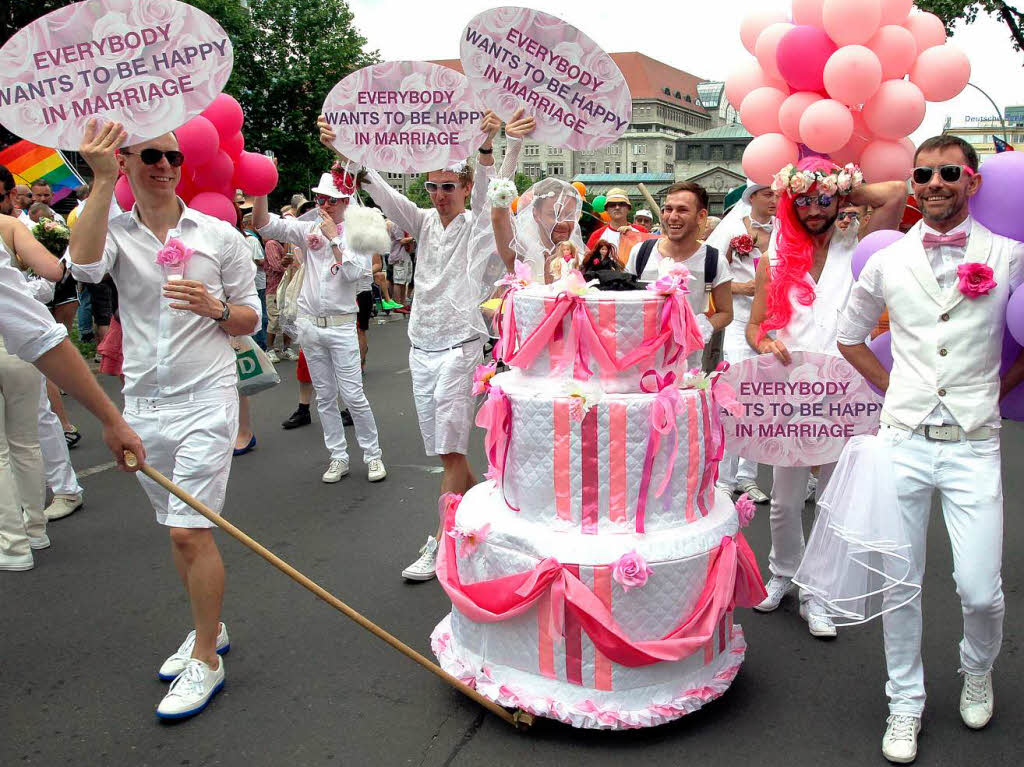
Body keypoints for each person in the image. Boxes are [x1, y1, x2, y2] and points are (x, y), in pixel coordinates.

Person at [834, 135, 1023, 763]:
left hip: (974, 443)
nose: (934, 183)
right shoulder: (887, 261)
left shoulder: (1011, 256)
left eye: (949, 172)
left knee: (979, 588)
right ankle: (904, 702)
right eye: (923, 174)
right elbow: (849, 336)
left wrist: (998, 390)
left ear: (971, 180)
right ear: (912, 183)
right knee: (899, 582)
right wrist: (893, 388)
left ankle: (977, 668)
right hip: (903, 441)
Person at [70, 119, 261, 720]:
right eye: (150, 156)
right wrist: (101, 182)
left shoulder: (218, 234)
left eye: (173, 158)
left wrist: (218, 307)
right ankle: (212, 625)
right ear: (126, 160)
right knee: (175, 530)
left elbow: (250, 317)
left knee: (189, 530)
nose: (165, 167)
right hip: (144, 403)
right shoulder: (113, 230)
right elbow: (81, 269)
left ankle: (207, 656)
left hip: (208, 396)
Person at [318, 109, 515, 580]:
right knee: (448, 454)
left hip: (462, 347)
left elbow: (493, 192)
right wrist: (344, 151)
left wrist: (489, 147)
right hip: (420, 345)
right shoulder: (423, 221)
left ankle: (442, 545)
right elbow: (378, 189)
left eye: (449, 186)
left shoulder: (477, 224)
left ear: (465, 188)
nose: (440, 195)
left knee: (449, 451)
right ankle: (492, 521)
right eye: (433, 186)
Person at [744, 157, 906, 639]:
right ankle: (783, 574)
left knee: (834, 500)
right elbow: (755, 325)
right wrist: (764, 342)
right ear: (788, 204)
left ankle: (821, 592)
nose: (814, 210)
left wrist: (843, 187)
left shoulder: (860, 249)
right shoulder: (772, 259)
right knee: (785, 501)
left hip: (847, 391)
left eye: (823, 200)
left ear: (840, 201)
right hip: (791, 393)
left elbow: (896, 192)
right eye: (803, 201)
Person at [0, 163, 145, 565]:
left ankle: (14, 544)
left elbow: (48, 305)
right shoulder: (11, 227)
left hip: (20, 339)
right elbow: (54, 273)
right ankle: (30, 533)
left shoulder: (11, 228)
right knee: (25, 441)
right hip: (21, 344)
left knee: (10, 448)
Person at [254, 166, 386, 484]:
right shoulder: (307, 228)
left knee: (353, 395)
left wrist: (334, 239)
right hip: (310, 325)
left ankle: (373, 455)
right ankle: (338, 456)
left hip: (341, 325)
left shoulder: (356, 233)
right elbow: (264, 224)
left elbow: (356, 275)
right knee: (325, 396)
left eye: (332, 200)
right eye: (321, 199)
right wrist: (258, 185)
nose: (325, 205)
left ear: (345, 203)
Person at [708, 181, 777, 503]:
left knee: (761, 400)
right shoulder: (733, 228)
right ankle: (724, 478)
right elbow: (711, 274)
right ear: (752, 197)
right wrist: (740, 287)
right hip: (738, 321)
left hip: (773, 323)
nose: (774, 199)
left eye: (778, 194)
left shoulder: (786, 230)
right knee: (734, 396)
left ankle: (748, 477)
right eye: (768, 194)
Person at [624, 181, 734, 370]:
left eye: (682, 210)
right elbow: (624, 302)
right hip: (638, 362)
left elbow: (726, 312)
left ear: (701, 216)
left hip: (686, 366)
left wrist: (702, 326)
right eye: (668, 209)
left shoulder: (714, 259)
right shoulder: (640, 253)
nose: (672, 217)